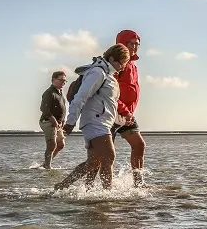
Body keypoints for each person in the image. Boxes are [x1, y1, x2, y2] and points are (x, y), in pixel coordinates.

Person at [54, 44, 130, 191]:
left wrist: (121, 119)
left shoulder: (109, 75)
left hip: (102, 122)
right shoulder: (97, 72)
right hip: (94, 122)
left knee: (93, 162)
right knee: (109, 155)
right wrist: (70, 121)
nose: (123, 67)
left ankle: (61, 187)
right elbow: (80, 97)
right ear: (112, 58)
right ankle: (108, 194)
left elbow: (108, 104)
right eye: (121, 63)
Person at [85, 30, 146, 187]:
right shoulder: (116, 65)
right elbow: (110, 92)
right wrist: (124, 110)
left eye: (137, 44)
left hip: (127, 116)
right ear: (122, 43)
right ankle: (89, 188)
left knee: (139, 145)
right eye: (131, 43)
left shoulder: (133, 66)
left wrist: (128, 113)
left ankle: (138, 183)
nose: (135, 47)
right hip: (109, 113)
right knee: (100, 157)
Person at [38, 71, 68, 169]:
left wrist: (63, 120)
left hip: (58, 123)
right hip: (48, 121)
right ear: (53, 79)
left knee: (60, 144)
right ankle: (47, 166)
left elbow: (63, 108)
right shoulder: (49, 92)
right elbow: (43, 108)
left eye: (64, 81)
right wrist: (53, 119)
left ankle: (46, 162)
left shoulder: (60, 93)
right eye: (60, 80)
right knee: (52, 144)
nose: (63, 83)